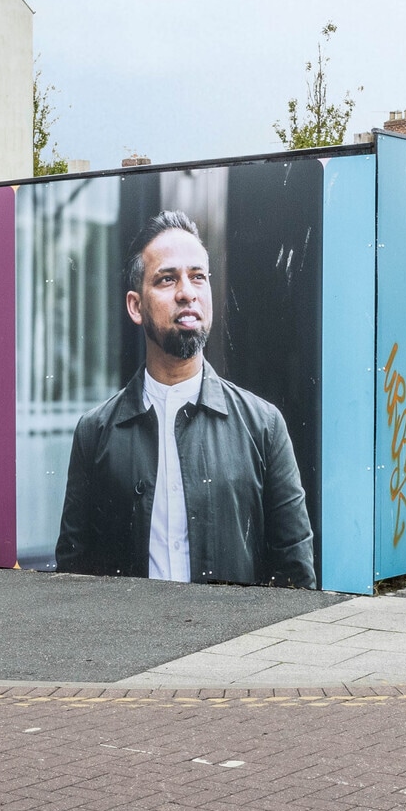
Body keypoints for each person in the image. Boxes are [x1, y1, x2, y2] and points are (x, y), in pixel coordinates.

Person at [55, 210, 315, 587]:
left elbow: (296, 575)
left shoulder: (264, 426)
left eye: (198, 277)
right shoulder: (95, 433)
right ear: (136, 306)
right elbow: (72, 577)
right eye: (167, 279)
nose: (187, 293)